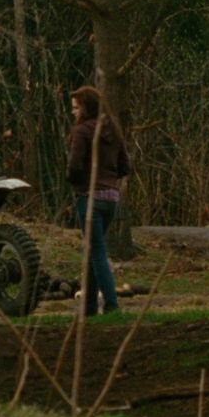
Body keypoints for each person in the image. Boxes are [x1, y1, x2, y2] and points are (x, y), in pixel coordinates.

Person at [66, 85, 131, 316]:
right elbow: (125, 166)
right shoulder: (114, 131)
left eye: (76, 108)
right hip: (111, 198)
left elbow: (75, 166)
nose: (73, 112)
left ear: (86, 108)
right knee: (93, 251)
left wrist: (74, 181)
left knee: (98, 253)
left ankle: (112, 305)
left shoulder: (81, 132)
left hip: (89, 197)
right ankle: (90, 308)